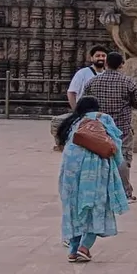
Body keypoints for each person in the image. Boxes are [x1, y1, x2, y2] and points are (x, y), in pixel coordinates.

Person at [54, 96, 129, 262]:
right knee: (96, 206)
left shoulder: (73, 122)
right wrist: (119, 164)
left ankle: (73, 250)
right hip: (95, 170)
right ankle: (84, 247)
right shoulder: (103, 118)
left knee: (74, 208)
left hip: (71, 170)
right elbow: (115, 144)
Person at [82, 51, 137, 202]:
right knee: (122, 159)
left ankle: (98, 190)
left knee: (98, 158)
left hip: (99, 127)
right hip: (122, 127)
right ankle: (125, 192)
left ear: (106, 64)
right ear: (122, 64)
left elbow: (84, 102)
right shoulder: (128, 82)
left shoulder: (93, 82)